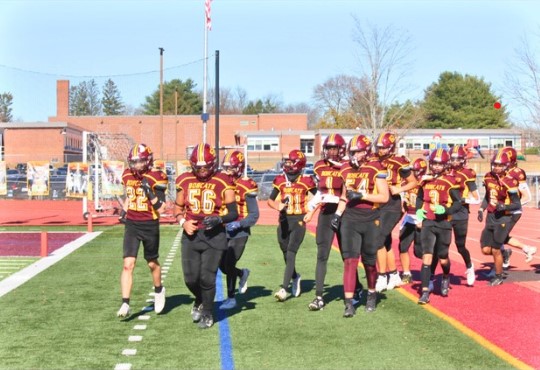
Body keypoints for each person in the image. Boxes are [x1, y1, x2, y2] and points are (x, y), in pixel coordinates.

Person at [174, 143, 238, 329]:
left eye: (205, 166)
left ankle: (208, 313)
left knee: (207, 277)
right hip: (191, 233)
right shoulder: (184, 180)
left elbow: (233, 213)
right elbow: (177, 208)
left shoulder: (223, 179)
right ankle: (200, 299)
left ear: (212, 164)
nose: (202, 170)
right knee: (190, 278)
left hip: (214, 235)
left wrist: (219, 219)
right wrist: (182, 222)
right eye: (198, 166)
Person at [332, 134, 389, 317]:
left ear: (365, 152)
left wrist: (362, 196)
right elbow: (343, 196)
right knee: (350, 261)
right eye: (351, 151)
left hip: (370, 218)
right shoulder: (345, 168)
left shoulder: (376, 167)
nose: (353, 155)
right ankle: (349, 303)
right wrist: (337, 214)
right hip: (350, 218)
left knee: (369, 263)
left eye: (356, 151)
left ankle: (371, 293)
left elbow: (384, 197)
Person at [304, 134, 363, 311]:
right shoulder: (319, 165)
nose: (331, 151)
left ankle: (356, 287)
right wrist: (311, 210)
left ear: (341, 149)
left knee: (348, 255)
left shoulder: (347, 165)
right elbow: (319, 192)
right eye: (328, 148)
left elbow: (350, 190)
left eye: (334, 148)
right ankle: (319, 296)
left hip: (344, 213)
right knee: (322, 255)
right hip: (326, 213)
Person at [117, 143, 169, 318]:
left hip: (149, 223)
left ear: (147, 161)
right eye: (133, 162)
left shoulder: (157, 176)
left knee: (152, 263)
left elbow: (162, 209)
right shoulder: (127, 174)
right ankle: (125, 303)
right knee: (127, 264)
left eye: (139, 162)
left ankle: (159, 290)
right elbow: (130, 197)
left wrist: (150, 194)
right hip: (132, 223)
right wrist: (124, 210)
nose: (135, 166)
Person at [268, 149, 317, 302]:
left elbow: (319, 197)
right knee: (285, 252)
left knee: (291, 252)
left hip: (299, 220)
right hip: (283, 220)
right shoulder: (280, 180)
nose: (287, 164)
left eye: (291, 161)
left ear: (298, 164)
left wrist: (311, 212)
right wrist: (278, 207)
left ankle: (284, 288)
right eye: (287, 161)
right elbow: (270, 200)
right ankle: (295, 277)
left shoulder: (307, 180)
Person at [416, 149, 462, 305]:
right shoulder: (425, 180)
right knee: (427, 256)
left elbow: (458, 203)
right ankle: (424, 292)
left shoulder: (451, 181)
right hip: (428, 222)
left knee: (443, 258)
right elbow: (419, 197)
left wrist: (446, 210)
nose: (436, 166)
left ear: (445, 164)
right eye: (434, 163)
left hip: (443, 223)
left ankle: (446, 276)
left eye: (439, 163)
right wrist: (419, 210)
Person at [374, 132, 418, 292]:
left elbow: (414, 182)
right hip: (377, 201)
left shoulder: (399, 162)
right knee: (384, 241)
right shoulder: (372, 159)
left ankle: (382, 275)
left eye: (383, 147)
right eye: (378, 147)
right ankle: (393, 275)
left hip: (392, 204)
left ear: (391, 147)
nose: (380, 150)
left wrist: (399, 188)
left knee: (378, 239)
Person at [218, 150, 260, 310]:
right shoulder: (221, 182)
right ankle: (242, 274)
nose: (227, 171)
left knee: (229, 263)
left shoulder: (246, 185)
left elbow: (254, 214)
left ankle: (231, 297)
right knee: (221, 265)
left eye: (230, 168)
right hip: (222, 229)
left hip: (239, 232)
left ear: (238, 168)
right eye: (226, 167)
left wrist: (239, 224)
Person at [477, 149, 521, 286]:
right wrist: (481, 208)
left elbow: (517, 204)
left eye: (500, 165)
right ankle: (504, 254)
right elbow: (487, 196)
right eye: (495, 165)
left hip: (503, 218)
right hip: (490, 216)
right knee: (485, 249)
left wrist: (504, 207)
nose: (497, 168)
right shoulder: (488, 177)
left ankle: (498, 275)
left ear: (506, 166)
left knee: (495, 249)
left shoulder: (510, 181)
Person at [445, 145, 480, 286]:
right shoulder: (443, 171)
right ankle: (444, 275)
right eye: (452, 158)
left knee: (460, 246)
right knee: (442, 246)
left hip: (460, 213)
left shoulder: (467, 173)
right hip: (445, 212)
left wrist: (463, 200)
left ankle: (470, 266)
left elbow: (477, 198)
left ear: (463, 159)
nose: (454, 161)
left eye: (457, 158)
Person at [498, 146, 537, 265]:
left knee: (497, 237)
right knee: (497, 236)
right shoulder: (502, 171)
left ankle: (503, 259)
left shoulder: (517, 173)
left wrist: (512, 206)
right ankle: (525, 249)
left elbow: (527, 196)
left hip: (512, 211)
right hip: (502, 209)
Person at [398, 157, 428, 284]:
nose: (411, 173)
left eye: (414, 171)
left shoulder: (426, 183)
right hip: (409, 217)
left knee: (419, 251)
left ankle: (429, 271)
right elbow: (403, 202)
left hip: (421, 217)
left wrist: (422, 218)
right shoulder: (406, 183)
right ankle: (406, 273)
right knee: (402, 246)